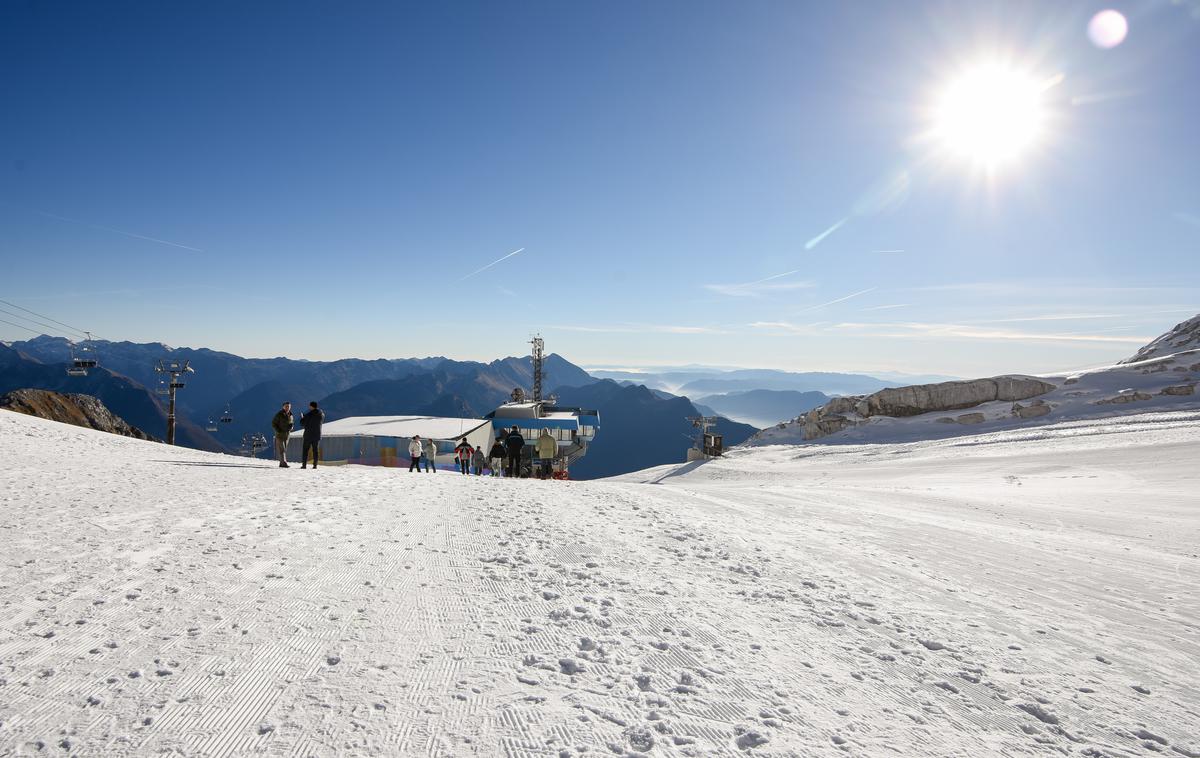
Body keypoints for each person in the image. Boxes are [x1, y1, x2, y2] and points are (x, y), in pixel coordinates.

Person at [300, 401, 324, 469]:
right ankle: (315, 465)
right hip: (317, 435)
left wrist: (302, 417)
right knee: (315, 451)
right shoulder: (321, 414)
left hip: (308, 435)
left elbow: (302, 423)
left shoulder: (308, 415)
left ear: (311, 406)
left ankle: (304, 465)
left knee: (305, 450)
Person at [271, 401, 293, 468]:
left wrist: (291, 427)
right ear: (283, 407)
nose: (287, 407)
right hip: (280, 435)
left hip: (287, 435)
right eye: (286, 406)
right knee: (282, 449)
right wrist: (278, 430)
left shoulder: (291, 414)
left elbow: (291, 422)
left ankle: (281, 463)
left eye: (288, 406)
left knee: (284, 449)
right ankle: (284, 463)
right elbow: (273, 423)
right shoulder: (279, 414)